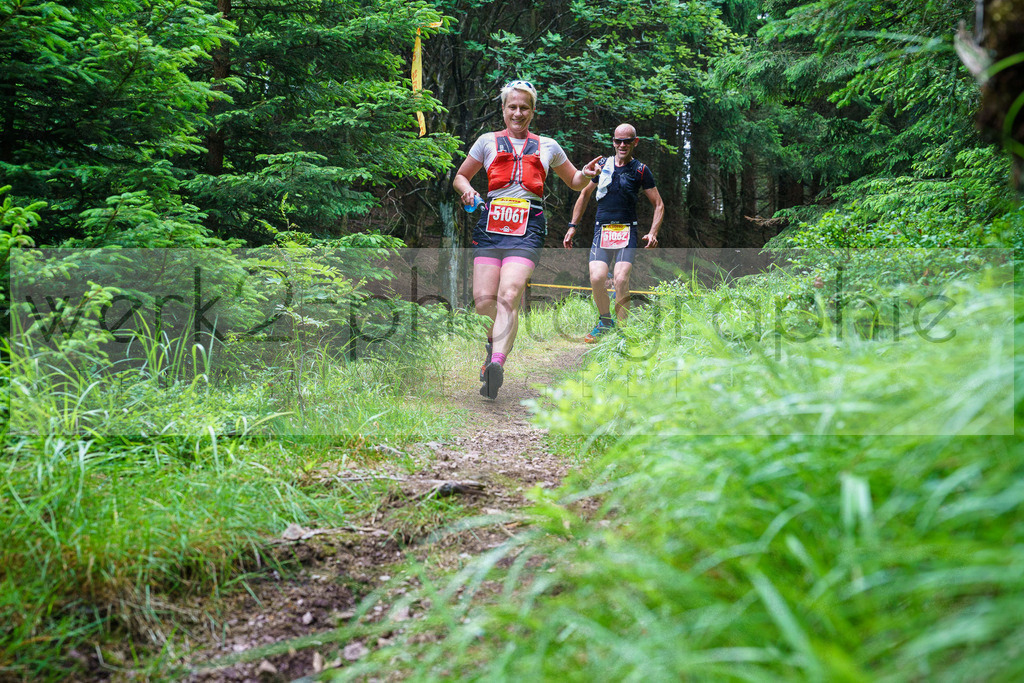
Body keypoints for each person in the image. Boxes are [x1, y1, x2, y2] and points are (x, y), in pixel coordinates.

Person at [453, 80, 601, 399]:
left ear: (533, 111)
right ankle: (491, 347)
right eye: (512, 107)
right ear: (503, 109)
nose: (518, 113)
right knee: (483, 301)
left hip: (528, 226)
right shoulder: (486, 142)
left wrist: (586, 175)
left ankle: (496, 363)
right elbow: (461, 176)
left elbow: (574, 181)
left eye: (524, 107)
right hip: (491, 223)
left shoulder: (548, 146)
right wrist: (468, 191)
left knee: (509, 294)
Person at [563, 123, 664, 343]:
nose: (622, 145)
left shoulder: (641, 170)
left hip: (627, 231)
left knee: (620, 279)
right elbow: (584, 194)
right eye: (618, 141)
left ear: (635, 142)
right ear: (613, 142)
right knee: (597, 277)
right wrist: (572, 226)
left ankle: (622, 333)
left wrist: (653, 232)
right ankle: (605, 322)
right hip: (603, 230)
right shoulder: (602, 166)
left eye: (627, 141)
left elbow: (658, 204)